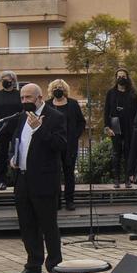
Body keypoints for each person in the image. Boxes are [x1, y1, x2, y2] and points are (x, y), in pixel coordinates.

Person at [2, 83, 64, 273]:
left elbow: (60, 145)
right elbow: (15, 143)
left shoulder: (55, 117)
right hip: (23, 179)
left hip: (44, 180)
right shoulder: (21, 118)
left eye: (28, 97)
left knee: (48, 226)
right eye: (22, 98)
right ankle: (33, 264)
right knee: (27, 225)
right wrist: (12, 158)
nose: (24, 101)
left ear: (39, 98)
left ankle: (55, 266)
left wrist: (40, 129)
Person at [46, 79, 85, 210]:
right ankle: (56, 201)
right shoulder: (47, 105)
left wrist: (74, 137)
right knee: (54, 173)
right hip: (53, 146)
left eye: (61, 87)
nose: (58, 89)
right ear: (51, 90)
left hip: (70, 145)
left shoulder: (73, 104)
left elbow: (81, 122)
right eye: (56, 87)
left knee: (69, 173)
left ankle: (69, 200)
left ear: (65, 89)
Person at [0, 71, 23, 189]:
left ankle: (17, 180)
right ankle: (2, 181)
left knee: (17, 154)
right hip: (2, 129)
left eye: (6, 79)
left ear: (13, 81)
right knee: (2, 156)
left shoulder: (19, 94)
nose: (4, 81)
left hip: (17, 130)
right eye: (3, 79)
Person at [104, 69, 137, 186]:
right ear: (116, 78)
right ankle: (116, 179)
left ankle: (128, 179)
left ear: (127, 78)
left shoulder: (133, 93)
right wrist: (107, 127)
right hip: (115, 124)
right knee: (116, 153)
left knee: (128, 152)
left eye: (123, 76)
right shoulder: (111, 93)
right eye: (119, 76)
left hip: (129, 125)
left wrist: (136, 127)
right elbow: (106, 111)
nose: (121, 78)